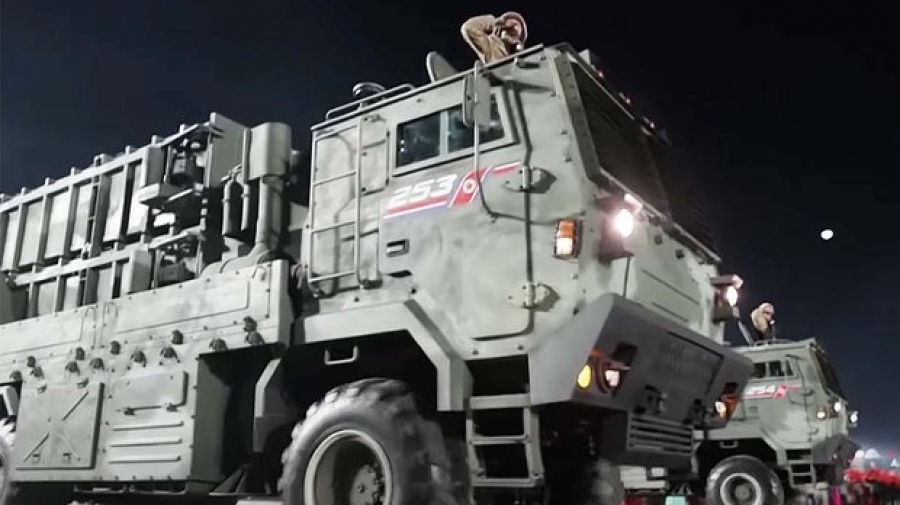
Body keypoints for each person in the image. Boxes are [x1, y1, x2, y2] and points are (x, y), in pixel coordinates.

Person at [460, 12, 528, 64]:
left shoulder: (516, 56)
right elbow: (468, 28)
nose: (512, 29)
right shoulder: (490, 47)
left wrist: (518, 48)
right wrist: (494, 22)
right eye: (510, 27)